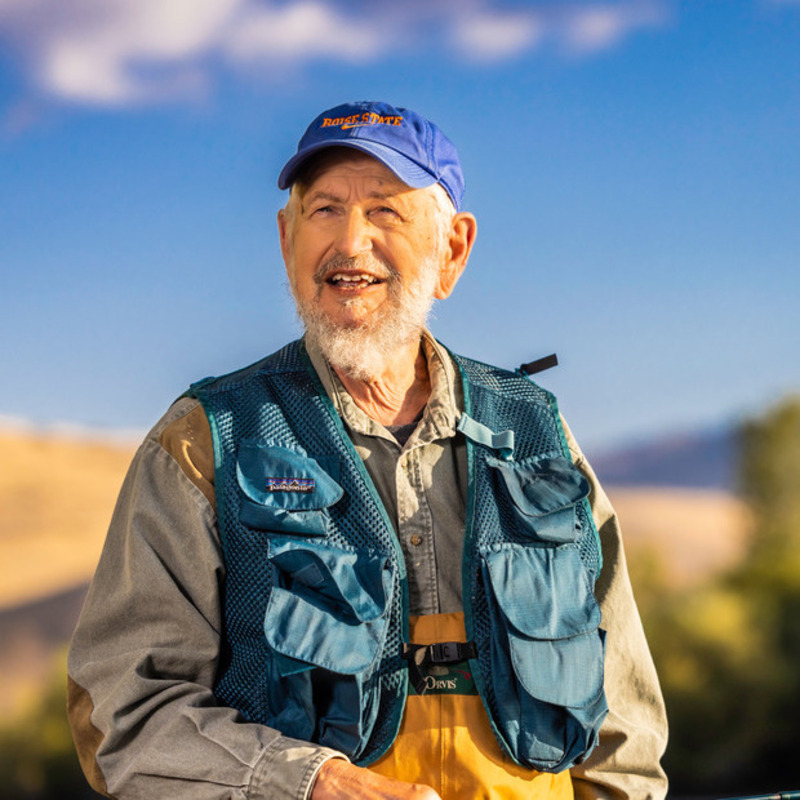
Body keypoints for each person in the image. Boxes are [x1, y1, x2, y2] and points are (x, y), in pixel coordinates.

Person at [68, 100, 668, 800]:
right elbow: (123, 713)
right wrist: (310, 784)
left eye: (385, 211)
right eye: (324, 210)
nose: (351, 243)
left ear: (452, 251)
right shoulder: (205, 441)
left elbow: (621, 721)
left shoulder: (538, 433)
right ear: (286, 241)